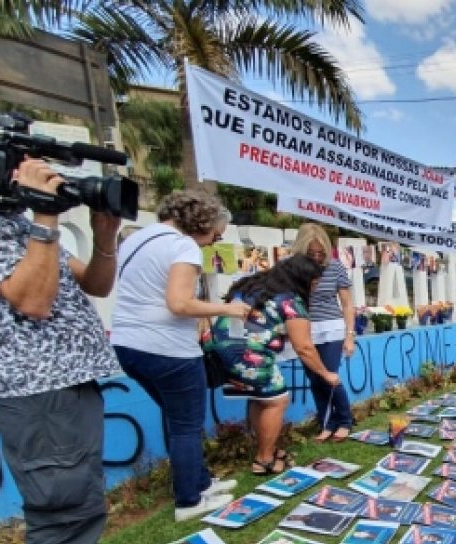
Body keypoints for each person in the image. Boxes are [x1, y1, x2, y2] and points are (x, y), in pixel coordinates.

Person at [0, 157, 143, 544]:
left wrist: (105, 235)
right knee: (61, 510)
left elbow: (94, 283)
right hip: (37, 391)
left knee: (80, 504)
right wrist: (46, 217)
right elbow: (33, 300)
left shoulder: (20, 229)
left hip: (69, 386)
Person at [111, 190, 246, 521]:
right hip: (168, 348)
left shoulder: (136, 239)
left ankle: (200, 483)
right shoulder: (182, 245)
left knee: (177, 419)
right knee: (186, 424)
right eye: (215, 236)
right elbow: (180, 303)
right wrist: (230, 309)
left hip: (129, 345)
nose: (211, 244)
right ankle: (189, 500)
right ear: (202, 222)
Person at [206, 254, 340, 475]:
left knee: (263, 400)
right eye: (314, 283)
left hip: (221, 349)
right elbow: (304, 347)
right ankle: (264, 460)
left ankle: (267, 450)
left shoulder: (253, 285)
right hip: (248, 355)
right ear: (302, 279)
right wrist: (326, 374)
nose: (316, 288)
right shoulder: (290, 301)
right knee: (278, 400)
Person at [289, 223, 355, 443]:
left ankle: (344, 420)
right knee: (315, 379)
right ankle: (327, 422)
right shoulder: (292, 268)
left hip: (331, 329)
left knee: (330, 376)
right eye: (311, 253)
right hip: (304, 329)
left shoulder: (335, 267)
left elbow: (347, 304)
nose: (317, 257)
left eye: (320, 253)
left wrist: (349, 335)